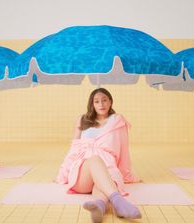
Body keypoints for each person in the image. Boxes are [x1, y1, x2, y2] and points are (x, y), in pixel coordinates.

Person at [55, 88, 142, 222]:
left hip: (107, 168)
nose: (101, 104)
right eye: (97, 101)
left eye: (104, 100)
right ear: (92, 104)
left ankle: (99, 206)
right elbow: (74, 149)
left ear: (110, 102)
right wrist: (63, 173)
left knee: (107, 179)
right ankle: (118, 201)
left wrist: (126, 174)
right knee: (94, 160)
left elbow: (124, 149)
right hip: (83, 173)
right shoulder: (82, 120)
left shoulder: (117, 120)